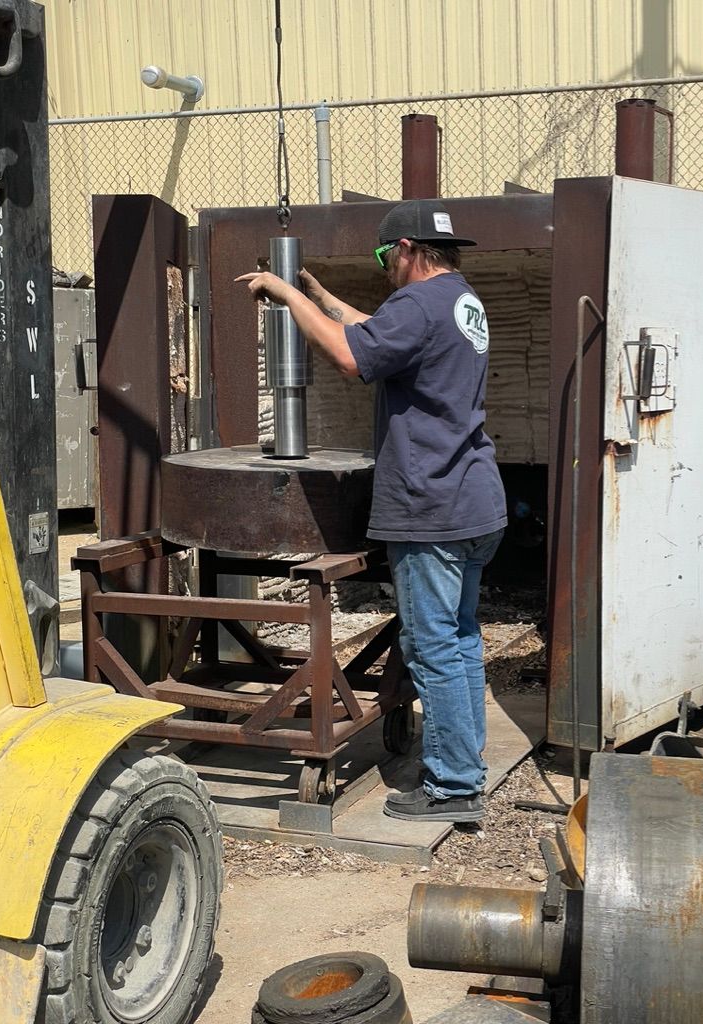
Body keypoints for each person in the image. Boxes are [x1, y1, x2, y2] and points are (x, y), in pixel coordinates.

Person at [236, 199, 507, 823]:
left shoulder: (417, 304)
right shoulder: (461, 301)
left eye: (387, 258)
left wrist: (282, 293)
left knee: (433, 645)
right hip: (473, 502)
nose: (385, 269)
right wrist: (321, 295)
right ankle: (467, 768)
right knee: (460, 639)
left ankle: (453, 786)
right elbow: (375, 332)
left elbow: (353, 355)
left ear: (408, 250)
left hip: (429, 506)